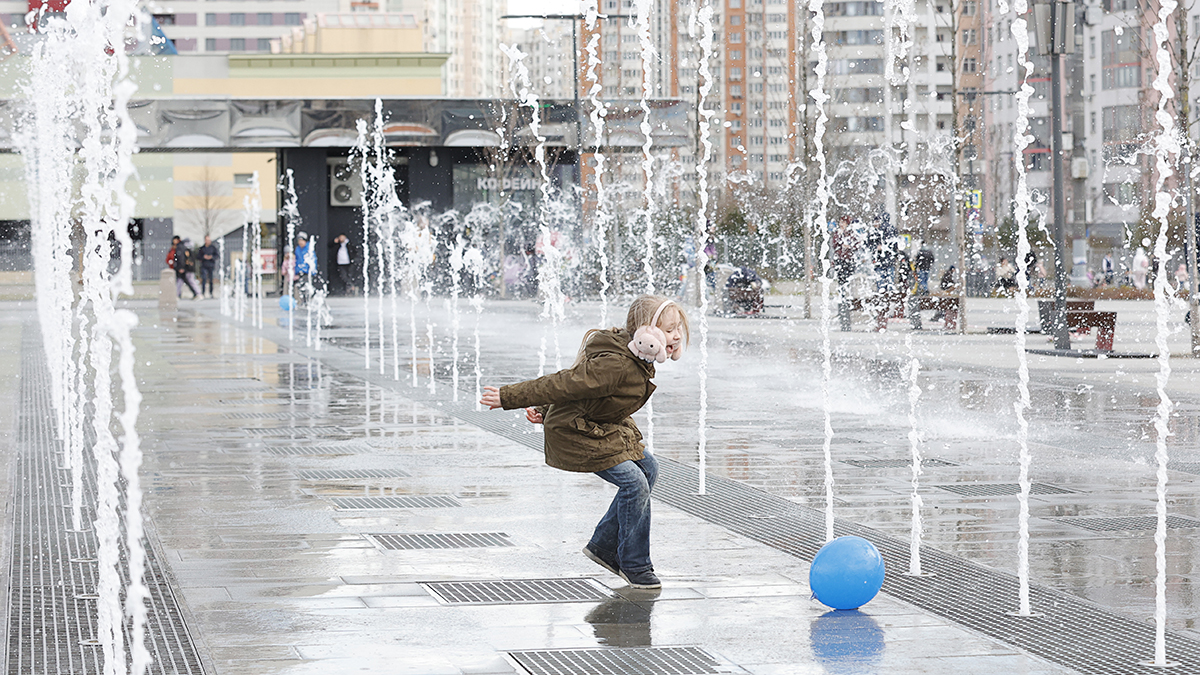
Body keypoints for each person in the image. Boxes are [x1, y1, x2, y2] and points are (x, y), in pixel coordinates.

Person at [479, 295, 690, 590]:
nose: (677, 335)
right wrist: (509, 397)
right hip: (576, 432)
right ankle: (634, 564)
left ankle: (603, 546)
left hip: (601, 426)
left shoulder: (637, 357)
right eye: (670, 329)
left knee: (648, 468)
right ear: (646, 333)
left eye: (678, 327)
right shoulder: (616, 364)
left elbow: (584, 392)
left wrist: (543, 409)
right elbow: (565, 383)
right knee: (634, 484)